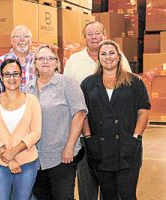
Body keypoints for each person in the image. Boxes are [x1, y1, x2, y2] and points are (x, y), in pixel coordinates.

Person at [63, 21, 131, 200]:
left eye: (98, 33)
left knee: (111, 183)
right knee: (87, 180)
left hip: (113, 133)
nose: (94, 37)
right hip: (84, 130)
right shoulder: (74, 61)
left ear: (105, 34)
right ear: (84, 37)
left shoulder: (119, 58)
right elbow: (66, 93)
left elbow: (128, 90)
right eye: (89, 34)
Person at [81, 40, 151, 200]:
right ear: (98, 58)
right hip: (100, 148)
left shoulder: (134, 82)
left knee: (127, 194)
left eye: (111, 53)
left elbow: (143, 112)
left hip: (127, 147)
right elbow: (82, 114)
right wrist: (88, 138)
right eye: (103, 54)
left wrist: (136, 137)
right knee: (108, 194)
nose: (108, 57)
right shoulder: (88, 84)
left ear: (119, 56)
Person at [24, 44, 87, 200]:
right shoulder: (27, 88)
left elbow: (79, 115)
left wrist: (70, 147)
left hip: (62, 156)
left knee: (63, 197)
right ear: (35, 63)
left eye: (50, 58)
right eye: (41, 58)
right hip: (35, 158)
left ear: (57, 63)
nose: (45, 61)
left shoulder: (67, 83)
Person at [0, 59, 42, 200]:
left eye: (15, 74)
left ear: (21, 77)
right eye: (7, 74)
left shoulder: (32, 101)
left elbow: (36, 132)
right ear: (1, 78)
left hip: (27, 162)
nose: (12, 78)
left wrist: (14, 152)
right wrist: (8, 159)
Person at [0, 25, 36, 91]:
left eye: (26, 36)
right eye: (17, 36)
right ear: (11, 41)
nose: (22, 40)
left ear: (31, 40)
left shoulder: (39, 62)